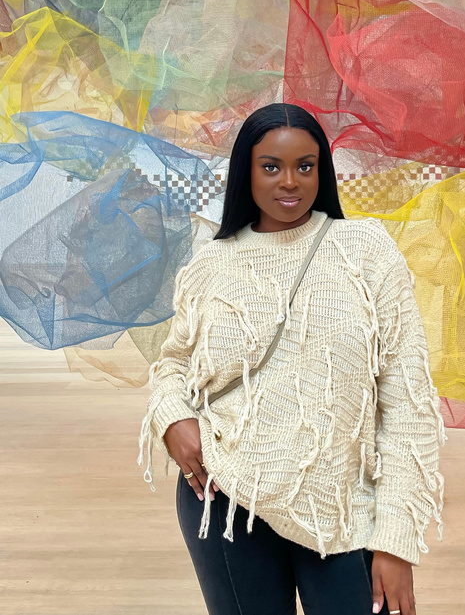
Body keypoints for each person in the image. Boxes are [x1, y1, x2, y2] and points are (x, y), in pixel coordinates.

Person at [138, 103, 445, 615]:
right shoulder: (211, 262)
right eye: (271, 166)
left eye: (305, 166)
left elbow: (407, 402)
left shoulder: (366, 251)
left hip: (339, 507)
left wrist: (396, 539)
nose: (289, 182)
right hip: (224, 495)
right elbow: (174, 364)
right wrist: (172, 419)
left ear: (322, 171)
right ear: (247, 172)